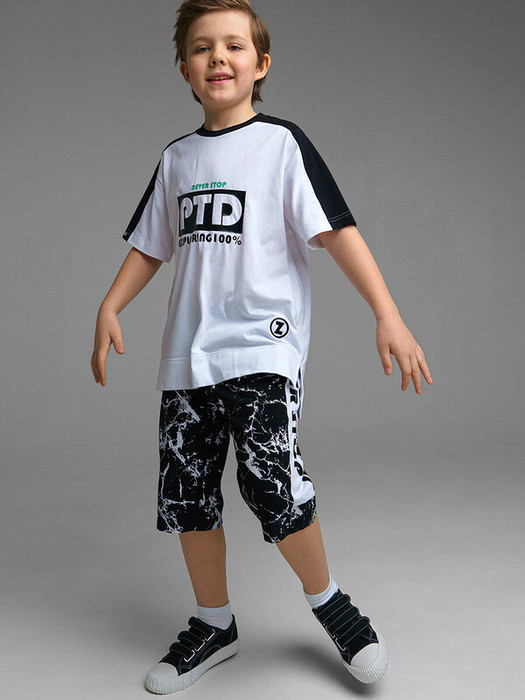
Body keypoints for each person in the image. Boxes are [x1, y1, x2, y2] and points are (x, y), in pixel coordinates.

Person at [91, 0, 433, 694]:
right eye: (202, 48)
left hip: (261, 351)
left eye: (234, 46)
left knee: (273, 487)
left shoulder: (281, 145)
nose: (218, 57)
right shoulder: (177, 158)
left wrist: (387, 313)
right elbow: (151, 245)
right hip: (188, 357)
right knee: (187, 495)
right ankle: (213, 624)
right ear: (184, 69)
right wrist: (109, 304)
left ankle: (330, 604)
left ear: (260, 65)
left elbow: (337, 230)